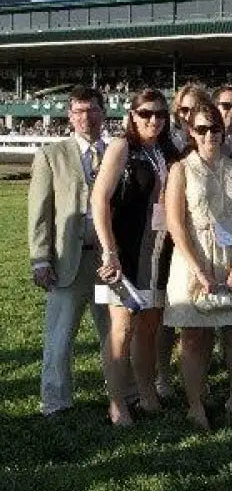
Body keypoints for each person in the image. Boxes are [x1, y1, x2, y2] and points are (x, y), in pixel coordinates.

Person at [163, 101, 232, 429]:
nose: (209, 135)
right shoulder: (180, 169)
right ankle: (195, 404)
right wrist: (198, 270)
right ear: (191, 132)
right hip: (194, 257)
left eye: (214, 128)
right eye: (201, 129)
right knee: (193, 336)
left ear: (224, 130)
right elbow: (175, 223)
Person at [92, 88, 180, 426]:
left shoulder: (167, 151)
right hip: (125, 252)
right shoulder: (122, 147)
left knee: (148, 328)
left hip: (159, 252)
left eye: (159, 114)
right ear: (132, 115)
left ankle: (146, 394)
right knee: (122, 329)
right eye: (145, 113)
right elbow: (99, 200)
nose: (153, 120)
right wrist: (109, 251)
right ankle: (117, 403)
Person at [28, 86, 114, 417]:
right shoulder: (52, 155)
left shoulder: (116, 152)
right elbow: (40, 212)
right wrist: (40, 259)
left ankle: (123, 393)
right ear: (69, 116)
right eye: (78, 111)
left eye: (91, 110)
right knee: (60, 337)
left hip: (107, 263)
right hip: (67, 262)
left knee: (113, 332)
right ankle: (55, 401)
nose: (85, 117)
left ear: (103, 113)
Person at [158, 83, 212, 399]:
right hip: (168, 240)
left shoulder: (212, 141)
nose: (189, 115)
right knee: (169, 313)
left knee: (202, 316)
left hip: (205, 244)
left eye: (196, 108)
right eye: (184, 109)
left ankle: (198, 379)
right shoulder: (167, 146)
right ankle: (162, 377)